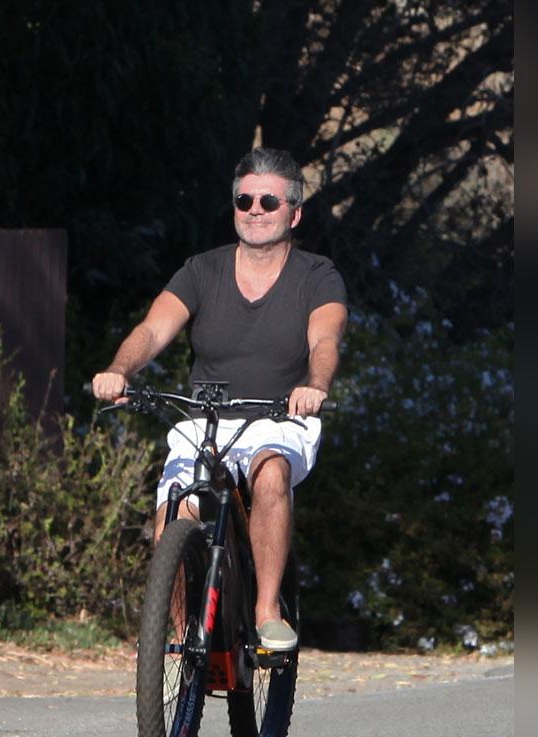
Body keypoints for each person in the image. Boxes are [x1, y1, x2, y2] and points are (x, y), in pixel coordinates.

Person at [91, 147, 348, 651]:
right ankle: (190, 636)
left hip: (279, 416)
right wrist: (118, 370)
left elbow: (325, 341)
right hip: (206, 417)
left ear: (293, 213)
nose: (255, 209)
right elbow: (152, 329)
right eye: (244, 199)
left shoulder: (317, 276)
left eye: (269, 201)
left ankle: (267, 608)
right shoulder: (201, 271)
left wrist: (314, 387)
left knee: (270, 471)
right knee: (173, 511)